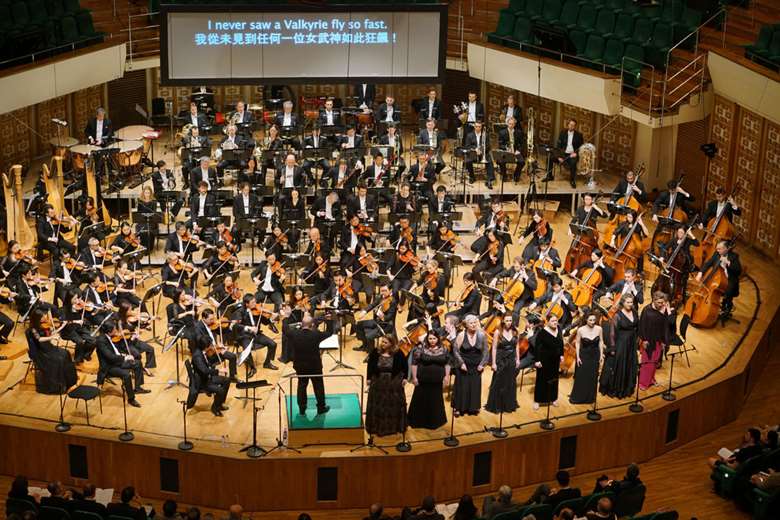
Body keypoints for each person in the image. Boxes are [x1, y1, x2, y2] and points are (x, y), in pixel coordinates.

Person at [282, 310, 334, 415]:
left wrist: (285, 317)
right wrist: (328, 321)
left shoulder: (294, 334)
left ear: (301, 324)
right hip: (315, 366)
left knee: (302, 385)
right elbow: (329, 333)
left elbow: (285, 329)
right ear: (312, 325)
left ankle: (302, 409)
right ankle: (321, 407)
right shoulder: (316, 334)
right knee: (318, 386)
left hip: (300, 366)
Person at [26, 309, 77, 395]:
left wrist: (61, 327)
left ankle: (69, 380)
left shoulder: (42, 325)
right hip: (41, 351)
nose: (45, 318)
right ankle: (58, 384)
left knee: (66, 353)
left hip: (48, 347)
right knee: (59, 359)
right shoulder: (33, 329)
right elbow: (39, 339)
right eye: (42, 317)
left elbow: (50, 333)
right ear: (37, 318)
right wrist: (52, 338)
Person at [365, 336, 407, 437]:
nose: (382, 344)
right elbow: (370, 365)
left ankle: (393, 427)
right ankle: (376, 427)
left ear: (391, 344)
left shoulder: (398, 353)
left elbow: (405, 366)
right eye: (382, 342)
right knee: (379, 404)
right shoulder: (376, 351)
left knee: (391, 405)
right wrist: (368, 378)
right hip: (378, 383)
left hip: (393, 384)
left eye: (385, 342)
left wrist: (405, 377)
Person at [408, 331, 450, 429]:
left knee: (435, 401)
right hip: (423, 379)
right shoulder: (420, 349)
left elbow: (447, 364)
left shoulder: (444, 349)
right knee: (420, 399)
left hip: (437, 380)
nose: (432, 341)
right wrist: (414, 378)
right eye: (430, 338)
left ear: (438, 339)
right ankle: (418, 422)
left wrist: (446, 376)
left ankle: (434, 422)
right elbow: (414, 363)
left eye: (434, 338)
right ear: (427, 339)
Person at [599, 294, 639, 399]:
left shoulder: (634, 312)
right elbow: (612, 333)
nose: (630, 304)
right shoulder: (618, 315)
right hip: (621, 343)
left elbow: (636, 327)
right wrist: (612, 348)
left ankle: (626, 388)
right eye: (628, 302)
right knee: (620, 365)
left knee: (629, 364)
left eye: (631, 302)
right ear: (623, 303)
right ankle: (616, 389)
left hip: (631, 343)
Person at [452, 314, 489, 416]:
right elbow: (455, 351)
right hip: (464, 365)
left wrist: (482, 364)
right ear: (466, 325)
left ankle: (473, 407)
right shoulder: (461, 335)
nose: (473, 325)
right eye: (471, 323)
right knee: (462, 387)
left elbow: (486, 351)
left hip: (476, 366)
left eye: (475, 323)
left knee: (474, 387)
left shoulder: (481, 335)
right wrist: (461, 363)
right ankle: (459, 407)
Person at [637, 291, 676, 390]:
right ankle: (643, 383)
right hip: (648, 341)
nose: (661, 304)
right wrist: (644, 340)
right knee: (647, 363)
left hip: (658, 340)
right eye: (659, 302)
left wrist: (663, 341)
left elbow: (669, 324)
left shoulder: (663, 310)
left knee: (655, 362)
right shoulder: (647, 310)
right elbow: (641, 326)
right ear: (653, 301)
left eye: (663, 302)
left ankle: (651, 379)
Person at [485, 313, 521, 414]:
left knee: (510, 381)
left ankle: (508, 404)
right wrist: (493, 363)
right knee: (499, 382)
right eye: (507, 320)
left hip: (511, 360)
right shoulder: (497, 332)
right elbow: (494, 348)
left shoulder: (515, 331)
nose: (509, 323)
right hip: (501, 360)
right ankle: (497, 405)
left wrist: (518, 359)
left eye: (510, 320)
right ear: (503, 321)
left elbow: (517, 346)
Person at [696, 240, 741, 319]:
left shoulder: (734, 256)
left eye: (719, 249)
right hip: (717, 277)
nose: (717, 250)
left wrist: (728, 262)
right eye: (717, 249)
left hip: (729, 279)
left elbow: (738, 270)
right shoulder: (717, 254)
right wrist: (700, 273)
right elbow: (708, 263)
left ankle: (726, 307)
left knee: (727, 291)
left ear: (726, 249)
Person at [569, 308, 604, 405]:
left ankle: (590, 397)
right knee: (582, 376)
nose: (593, 322)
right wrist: (578, 356)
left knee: (592, 377)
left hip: (595, 355)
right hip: (584, 355)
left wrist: (601, 355)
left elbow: (601, 341)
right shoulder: (581, 330)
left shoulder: (599, 329)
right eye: (590, 320)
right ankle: (578, 397)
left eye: (594, 320)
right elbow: (578, 343)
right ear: (586, 320)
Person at [532, 313, 564, 409]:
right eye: (553, 321)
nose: (555, 323)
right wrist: (537, 360)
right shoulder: (542, 332)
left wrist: (562, 354)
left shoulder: (559, 329)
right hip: (544, 359)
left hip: (555, 359)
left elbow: (561, 342)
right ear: (547, 321)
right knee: (541, 380)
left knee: (554, 379)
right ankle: (537, 400)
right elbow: (537, 347)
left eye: (556, 321)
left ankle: (553, 398)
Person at [191, 344, 231, 416]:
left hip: (207, 377)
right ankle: (215, 408)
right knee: (220, 390)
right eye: (210, 345)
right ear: (206, 347)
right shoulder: (198, 357)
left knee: (227, 380)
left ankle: (219, 404)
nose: (212, 347)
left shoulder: (203, 352)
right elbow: (205, 370)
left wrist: (220, 353)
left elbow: (209, 363)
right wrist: (218, 371)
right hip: (202, 382)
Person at [551, 118, 583, 188]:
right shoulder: (562, 133)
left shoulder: (579, 135)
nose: (572, 126)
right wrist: (559, 157)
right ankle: (549, 175)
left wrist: (576, 153)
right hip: (563, 154)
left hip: (572, 155)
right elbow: (558, 146)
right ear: (568, 125)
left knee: (573, 163)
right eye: (571, 125)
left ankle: (572, 180)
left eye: (574, 125)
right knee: (550, 157)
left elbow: (581, 147)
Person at [464, 121, 495, 189]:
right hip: (473, 153)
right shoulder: (469, 135)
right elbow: (467, 146)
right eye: (476, 126)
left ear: (481, 127)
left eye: (479, 127)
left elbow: (488, 146)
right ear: (474, 127)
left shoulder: (485, 135)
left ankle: (489, 180)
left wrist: (481, 150)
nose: (478, 128)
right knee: (467, 161)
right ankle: (472, 177)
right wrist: (475, 149)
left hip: (483, 153)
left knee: (489, 160)